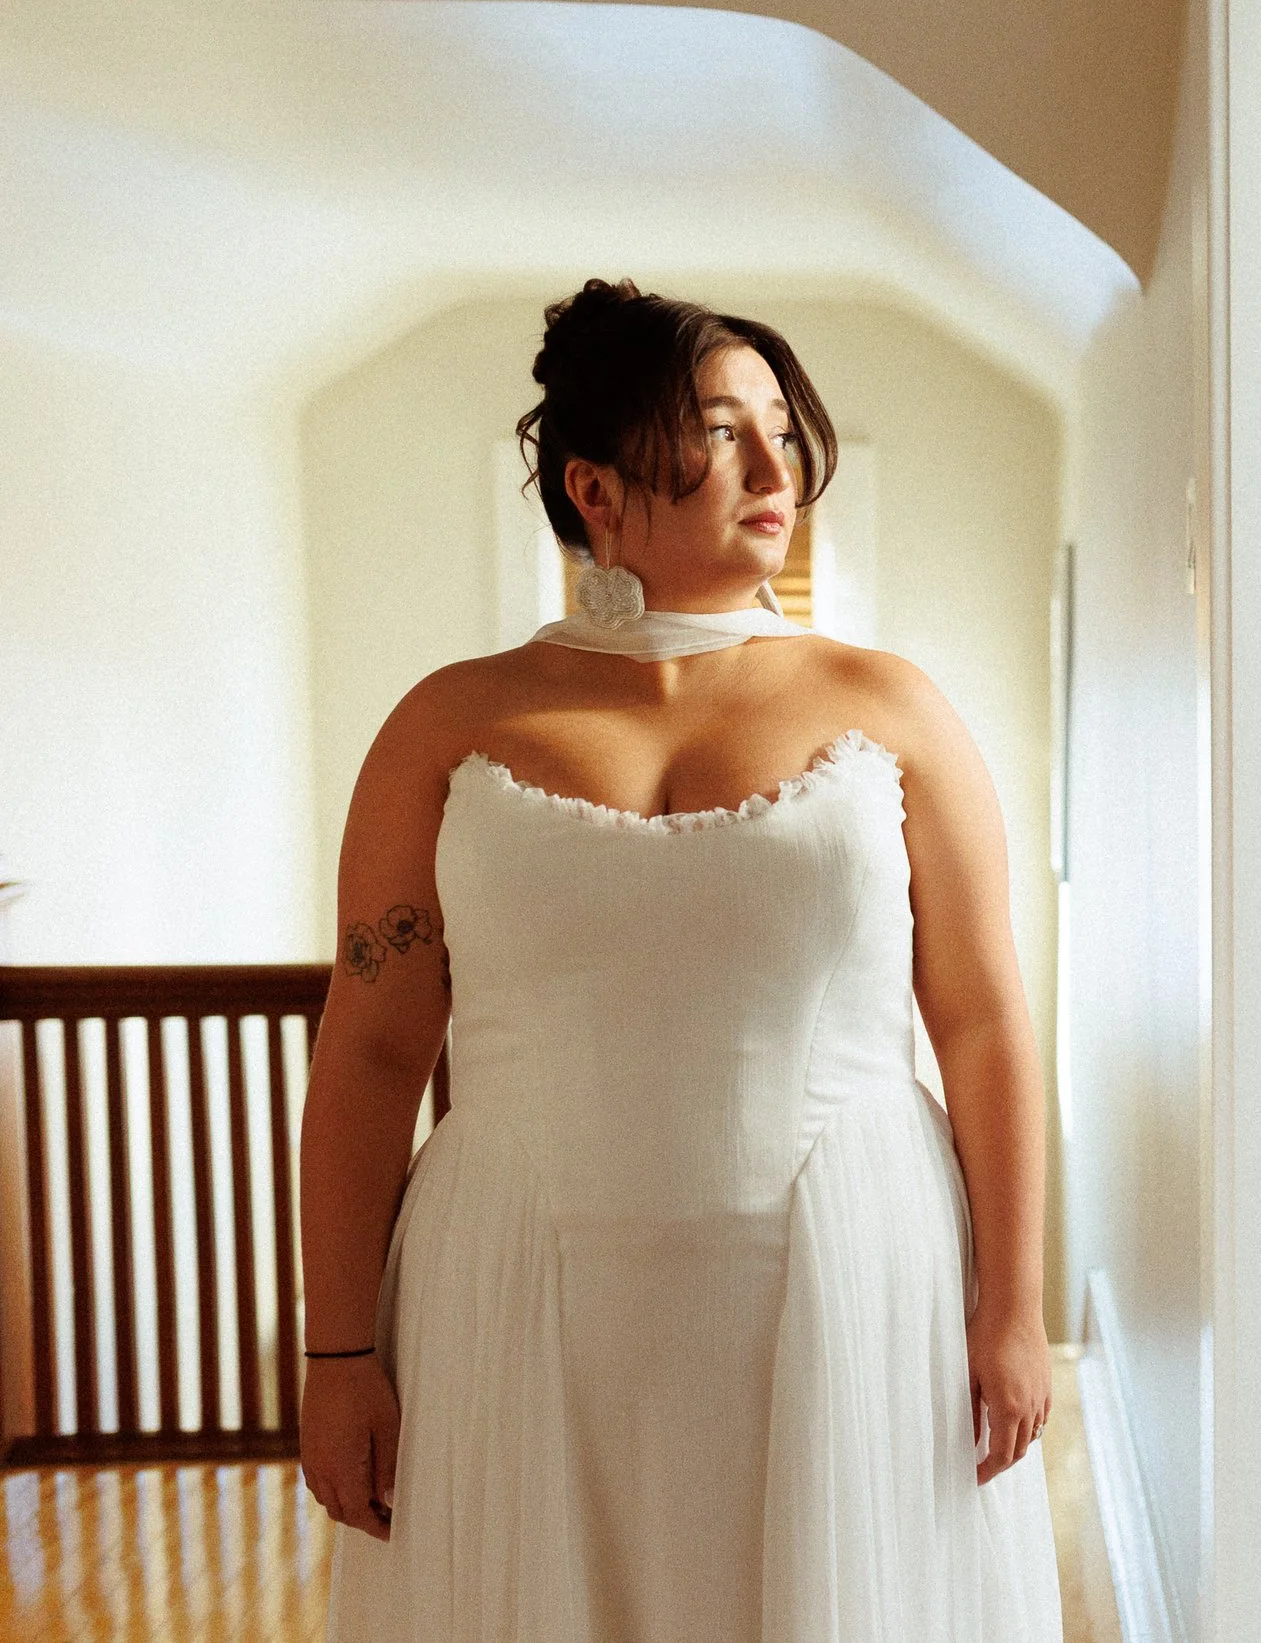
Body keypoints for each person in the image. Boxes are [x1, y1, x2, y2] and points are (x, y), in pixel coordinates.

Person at [298, 279, 1061, 1642]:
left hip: (851, 1273)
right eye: (722, 433)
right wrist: (339, 1349)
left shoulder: (891, 706)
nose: (777, 470)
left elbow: (987, 1019)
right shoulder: (448, 724)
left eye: (781, 428)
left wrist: (1015, 1307)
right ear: (594, 485)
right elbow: (366, 1046)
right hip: (518, 1288)